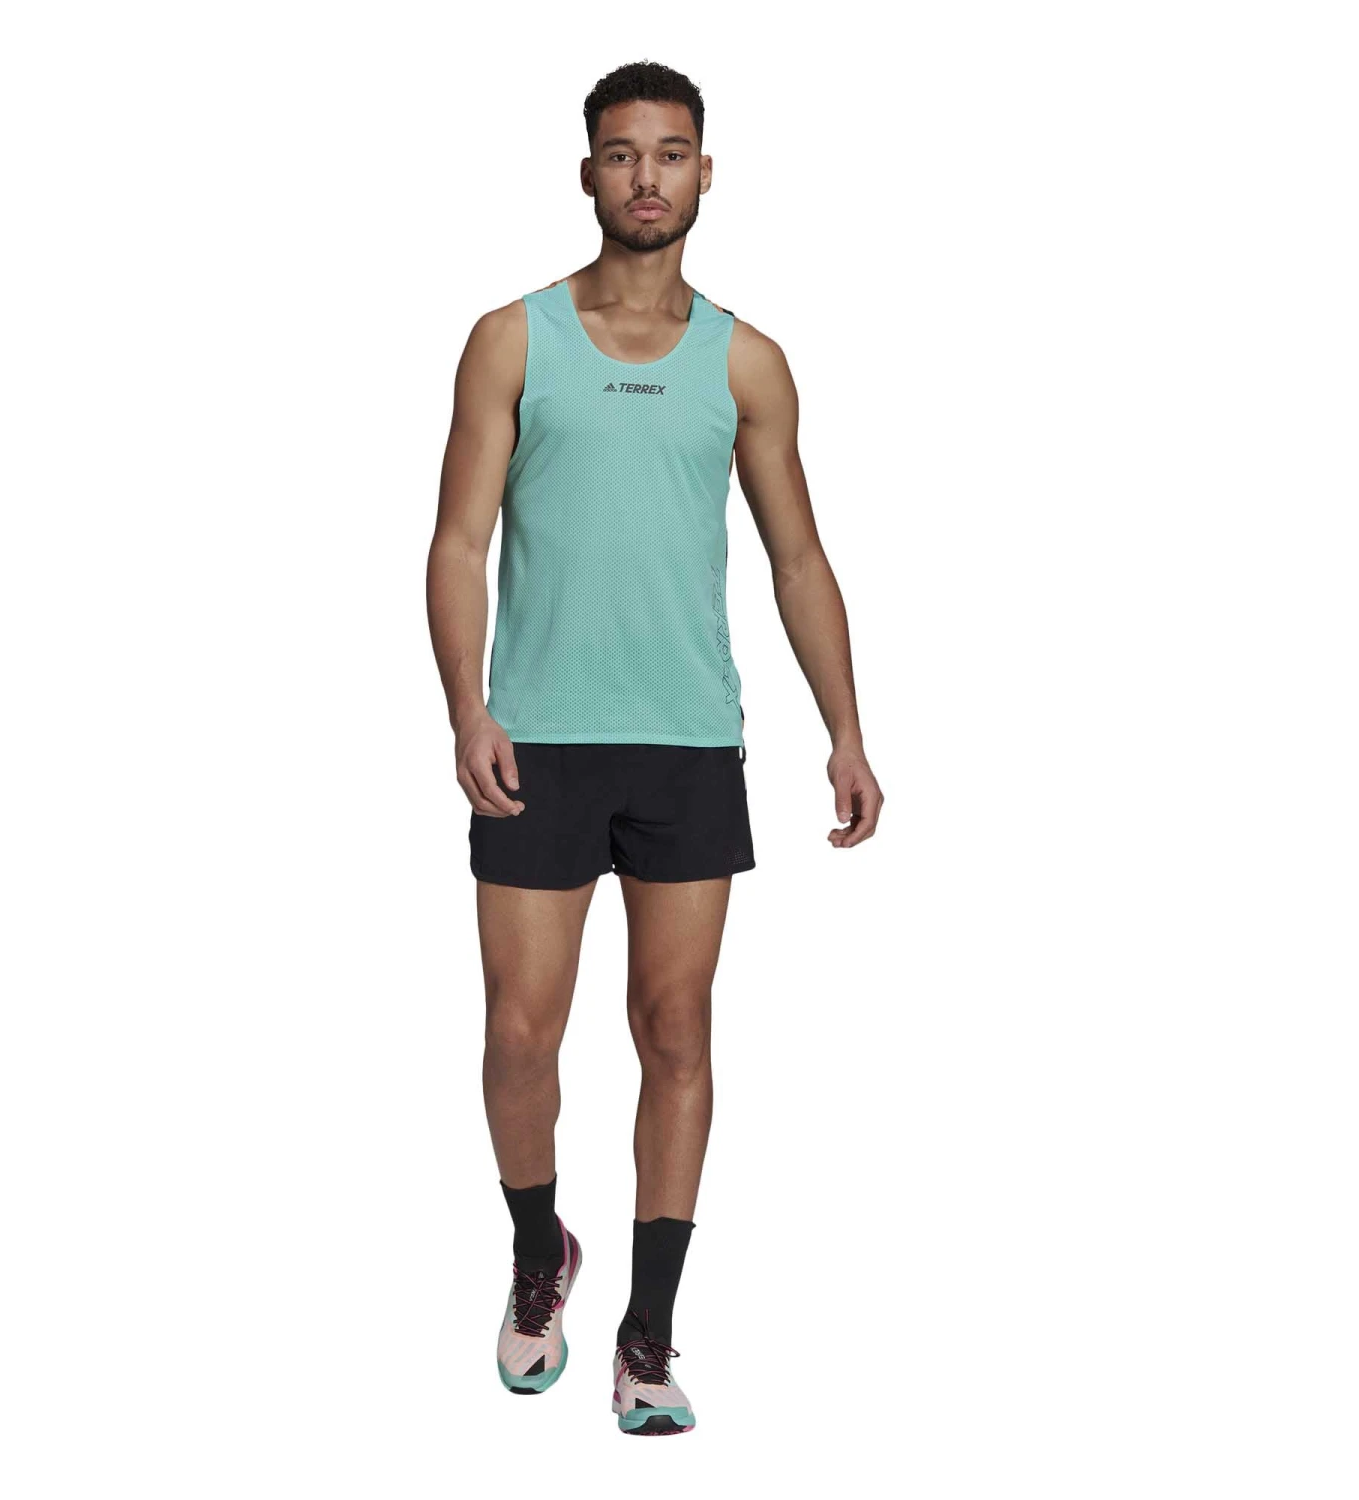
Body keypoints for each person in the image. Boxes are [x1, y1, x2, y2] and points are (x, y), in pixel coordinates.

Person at [426, 59, 883, 1436]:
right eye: (622, 154)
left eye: (670, 153)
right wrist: (466, 708)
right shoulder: (510, 340)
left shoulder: (747, 362)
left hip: (688, 742)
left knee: (675, 1030)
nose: (646, 177)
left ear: (704, 174)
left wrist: (846, 729)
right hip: (540, 740)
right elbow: (457, 540)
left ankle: (648, 1334)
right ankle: (538, 1252)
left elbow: (798, 559)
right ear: (589, 173)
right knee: (521, 1033)